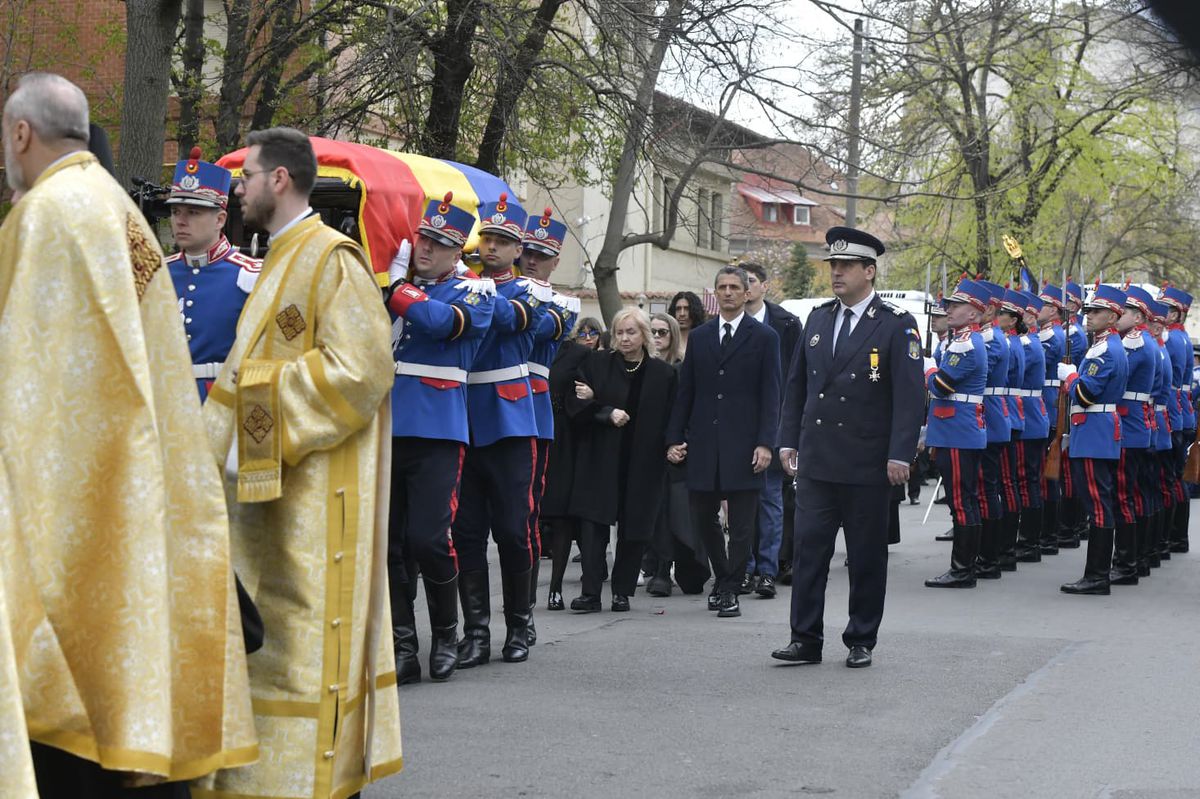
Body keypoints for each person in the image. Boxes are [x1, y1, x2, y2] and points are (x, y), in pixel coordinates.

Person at [0, 72, 256, 796]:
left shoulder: (48, 213)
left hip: (75, 501)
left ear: (21, 134)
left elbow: (25, 375)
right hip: (138, 486)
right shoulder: (118, 209)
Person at [197, 127, 402, 797]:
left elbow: (363, 369)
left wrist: (251, 408)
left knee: (297, 650)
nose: (238, 190)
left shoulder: (330, 259)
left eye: (248, 176)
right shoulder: (279, 256)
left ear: (279, 180)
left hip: (312, 514)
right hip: (268, 503)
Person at [770, 227, 924, 669]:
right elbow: (796, 387)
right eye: (833, 266)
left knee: (865, 555)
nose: (836, 273)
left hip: (867, 461)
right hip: (819, 460)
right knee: (808, 551)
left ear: (869, 271)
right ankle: (804, 637)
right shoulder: (818, 319)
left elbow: (910, 396)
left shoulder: (895, 324)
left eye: (846, 266)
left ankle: (861, 637)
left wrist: (901, 452)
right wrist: (787, 440)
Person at [383, 194, 495, 685]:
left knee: (428, 538)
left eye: (440, 243)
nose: (426, 248)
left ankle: (447, 633)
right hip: (386, 426)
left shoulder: (477, 290)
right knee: (388, 545)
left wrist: (398, 287)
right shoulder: (397, 285)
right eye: (423, 238)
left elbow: (441, 323)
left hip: (437, 429)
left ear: (457, 252)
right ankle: (402, 644)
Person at [452, 194, 550, 668]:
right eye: (486, 238)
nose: (491, 246)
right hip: (462, 419)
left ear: (518, 251)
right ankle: (476, 632)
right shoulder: (463, 285)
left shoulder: (529, 292)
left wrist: (470, 287)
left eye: (502, 241)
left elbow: (511, 318)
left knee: (513, 529)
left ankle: (519, 622)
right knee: (466, 531)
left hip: (510, 423)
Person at [667, 266, 780, 618]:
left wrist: (765, 443)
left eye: (735, 287)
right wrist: (674, 437)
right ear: (715, 294)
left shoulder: (764, 337)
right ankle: (724, 575)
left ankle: (730, 588)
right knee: (703, 516)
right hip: (704, 442)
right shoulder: (700, 337)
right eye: (722, 287)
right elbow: (686, 391)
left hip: (745, 443)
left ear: (747, 293)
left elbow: (771, 394)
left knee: (744, 522)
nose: (728, 292)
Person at [568, 309, 678, 611]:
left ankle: (622, 592)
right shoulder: (596, 364)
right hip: (600, 457)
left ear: (644, 335)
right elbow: (577, 403)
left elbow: (673, 416)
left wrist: (674, 445)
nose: (625, 338)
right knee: (593, 525)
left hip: (643, 460)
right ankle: (590, 593)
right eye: (619, 332)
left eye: (631, 332)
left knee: (635, 527)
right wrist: (605, 411)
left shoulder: (663, 373)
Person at [518, 208, 577, 643]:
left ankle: (522, 615)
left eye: (542, 254)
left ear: (555, 260)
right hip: (474, 413)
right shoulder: (489, 288)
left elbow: (531, 326)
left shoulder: (563, 303)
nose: (532, 260)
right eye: (528, 252)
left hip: (528, 417)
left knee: (523, 520)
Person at [166, 147, 261, 401]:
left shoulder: (251, 276)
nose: (181, 221)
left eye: (193, 213)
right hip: (166, 403)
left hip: (223, 402)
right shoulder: (157, 274)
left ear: (220, 219)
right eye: (176, 212)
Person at [1058, 284, 1130, 595]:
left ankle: (1097, 576)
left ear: (1113, 316)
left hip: (1095, 430)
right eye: (1088, 311)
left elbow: (1086, 394)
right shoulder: (1102, 346)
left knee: (1098, 505)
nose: (1089, 316)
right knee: (1097, 502)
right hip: (1093, 430)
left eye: (1096, 312)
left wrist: (1070, 376)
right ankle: (1096, 574)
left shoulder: (1107, 350)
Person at [923, 280, 991, 589]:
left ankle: (963, 569)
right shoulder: (961, 339)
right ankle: (965, 566)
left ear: (975, 314)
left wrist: (927, 369)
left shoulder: (966, 343)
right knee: (963, 500)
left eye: (957, 305)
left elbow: (942, 386)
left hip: (958, 430)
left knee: (962, 501)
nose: (949, 309)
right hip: (956, 429)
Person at [740, 261, 802, 599]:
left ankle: (767, 569)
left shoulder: (786, 324)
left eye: (750, 281)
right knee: (740, 502)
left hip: (775, 423)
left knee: (771, 499)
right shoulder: (726, 323)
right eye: (739, 281)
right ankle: (744, 568)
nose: (744, 288)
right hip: (739, 424)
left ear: (765, 286)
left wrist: (791, 431)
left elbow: (797, 377)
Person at [645, 312, 711, 596]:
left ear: (673, 335)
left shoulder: (683, 368)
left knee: (676, 512)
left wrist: (678, 443)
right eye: (653, 332)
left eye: (663, 332)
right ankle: (655, 567)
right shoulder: (637, 368)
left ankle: (674, 566)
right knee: (652, 511)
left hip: (677, 450)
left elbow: (689, 409)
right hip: (645, 450)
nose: (657, 337)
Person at [542, 318, 601, 610]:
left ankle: (555, 589)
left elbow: (585, 396)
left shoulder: (579, 354)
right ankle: (522, 591)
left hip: (562, 439)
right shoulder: (523, 347)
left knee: (561, 515)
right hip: (522, 430)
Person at [1110, 286, 1160, 585]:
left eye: (1124, 312)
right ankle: (1136, 558)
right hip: (1136, 423)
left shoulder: (1135, 342)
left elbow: (1116, 374)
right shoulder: (1144, 341)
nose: (1118, 316)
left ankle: (1126, 563)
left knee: (1123, 495)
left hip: (1129, 425)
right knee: (1133, 494)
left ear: (1138, 315)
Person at [1013, 291, 1049, 561]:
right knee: (1028, 480)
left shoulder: (1026, 344)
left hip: (1029, 417)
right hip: (1030, 416)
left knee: (1026, 481)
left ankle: (1028, 543)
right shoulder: (1029, 341)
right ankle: (1028, 540)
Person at [1160, 285, 1194, 553]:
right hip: (1180, 409)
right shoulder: (1180, 338)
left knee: (1168, 478)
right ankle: (1177, 537)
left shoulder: (1171, 338)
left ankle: (1172, 537)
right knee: (1175, 477)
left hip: (1171, 411)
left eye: (1167, 309)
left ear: (1177, 314)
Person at [1036, 284, 1068, 556]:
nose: (1037, 310)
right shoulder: (1045, 334)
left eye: (1043, 305)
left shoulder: (1053, 337)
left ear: (1055, 311)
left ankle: (1049, 534)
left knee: (1048, 473)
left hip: (1048, 402)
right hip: (1045, 400)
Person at [669, 290, 707, 358]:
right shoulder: (667, 340)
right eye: (678, 309)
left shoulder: (705, 341)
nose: (682, 314)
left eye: (687, 309)